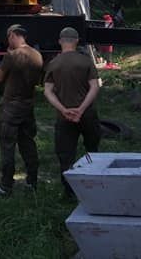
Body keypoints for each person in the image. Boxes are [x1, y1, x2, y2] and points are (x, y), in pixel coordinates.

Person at [43, 27, 99, 199]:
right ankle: (96, 184)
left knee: (65, 154)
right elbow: (95, 87)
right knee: (92, 150)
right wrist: (81, 109)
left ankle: (70, 192)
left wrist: (63, 109)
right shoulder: (86, 61)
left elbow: (48, 91)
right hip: (87, 114)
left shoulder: (53, 63)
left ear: (60, 41)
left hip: (64, 117)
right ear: (76, 41)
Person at [0, 24, 44, 196]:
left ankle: (6, 185)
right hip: (28, 104)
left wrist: (6, 56)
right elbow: (38, 81)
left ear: (13, 35)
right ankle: (32, 181)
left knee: (7, 146)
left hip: (10, 107)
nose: (8, 41)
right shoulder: (37, 55)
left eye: (9, 38)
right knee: (28, 143)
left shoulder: (12, 56)